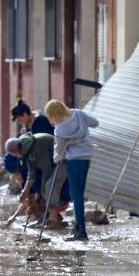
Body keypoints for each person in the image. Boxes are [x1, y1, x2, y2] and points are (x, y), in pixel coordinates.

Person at [45, 100, 99, 241]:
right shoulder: (79, 114)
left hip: (74, 160)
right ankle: (78, 228)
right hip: (87, 157)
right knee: (79, 193)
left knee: (77, 195)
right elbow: (95, 123)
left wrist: (58, 156)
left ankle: (81, 230)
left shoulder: (60, 130)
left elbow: (59, 152)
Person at [4, 133, 70, 228]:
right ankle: (48, 217)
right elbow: (31, 172)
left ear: (17, 150)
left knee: (48, 186)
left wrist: (42, 191)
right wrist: (25, 191)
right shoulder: (25, 151)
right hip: (54, 162)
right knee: (44, 190)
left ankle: (53, 220)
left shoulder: (36, 148)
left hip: (65, 159)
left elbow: (47, 170)